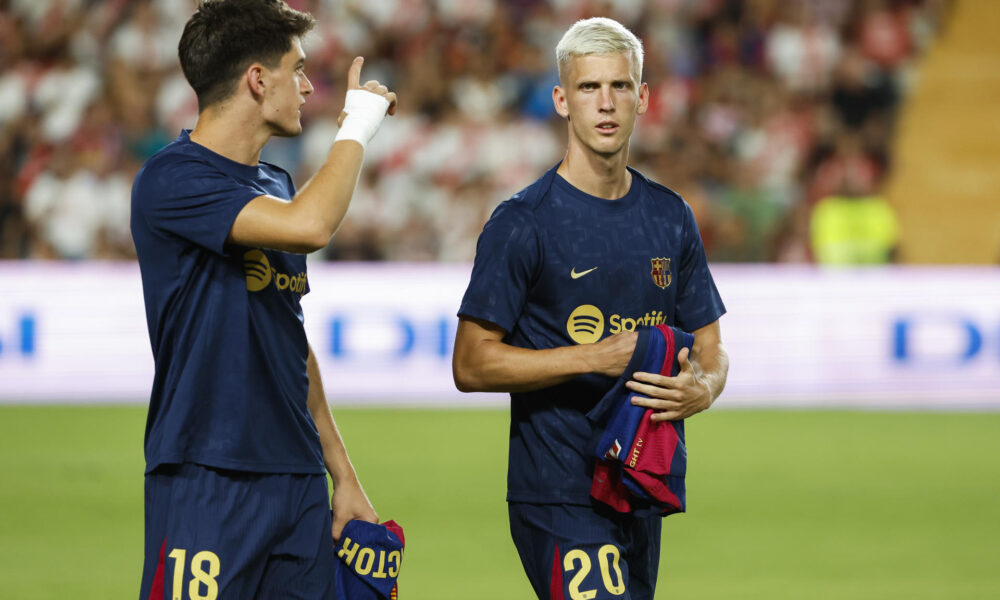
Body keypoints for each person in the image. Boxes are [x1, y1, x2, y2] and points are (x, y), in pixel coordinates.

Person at [452, 17, 729, 600]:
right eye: (588, 88)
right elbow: (471, 364)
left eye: (620, 87)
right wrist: (593, 357)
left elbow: (710, 344)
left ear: (643, 98)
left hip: (642, 483)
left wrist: (703, 386)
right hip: (558, 490)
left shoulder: (670, 215)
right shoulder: (523, 222)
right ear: (561, 100)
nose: (605, 104)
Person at [130, 1, 396, 597]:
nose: (307, 86)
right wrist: (356, 126)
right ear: (257, 79)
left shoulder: (274, 184)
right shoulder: (172, 180)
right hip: (206, 474)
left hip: (298, 483)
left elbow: (289, 342)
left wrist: (342, 476)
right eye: (296, 69)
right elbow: (311, 227)